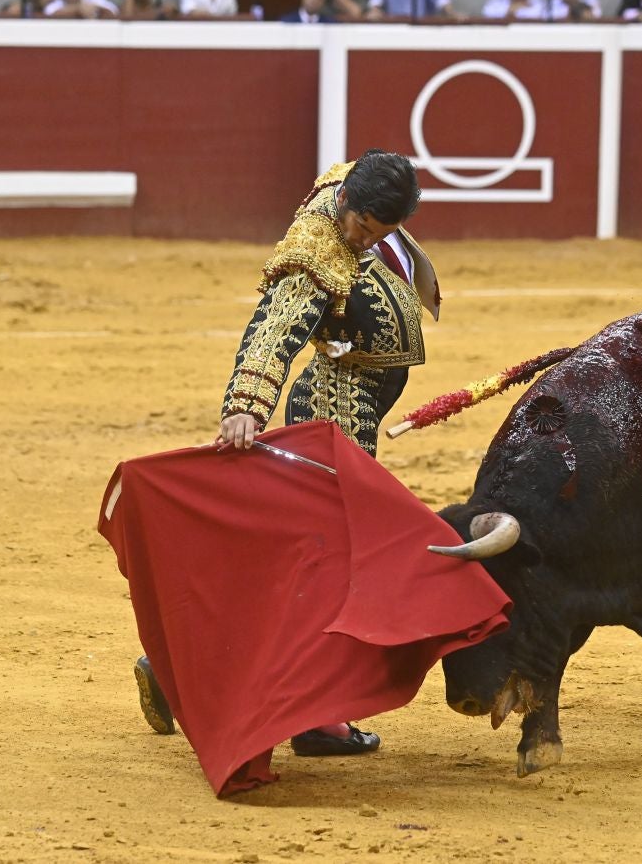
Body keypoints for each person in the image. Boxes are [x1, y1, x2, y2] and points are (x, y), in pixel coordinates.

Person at [134, 150, 441, 757]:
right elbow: (277, 325)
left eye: (380, 234)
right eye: (360, 229)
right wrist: (247, 403)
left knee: (306, 557)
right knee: (332, 561)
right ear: (345, 205)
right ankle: (315, 716)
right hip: (335, 407)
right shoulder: (318, 247)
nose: (364, 242)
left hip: (359, 403)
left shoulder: (358, 187)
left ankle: (178, 666)